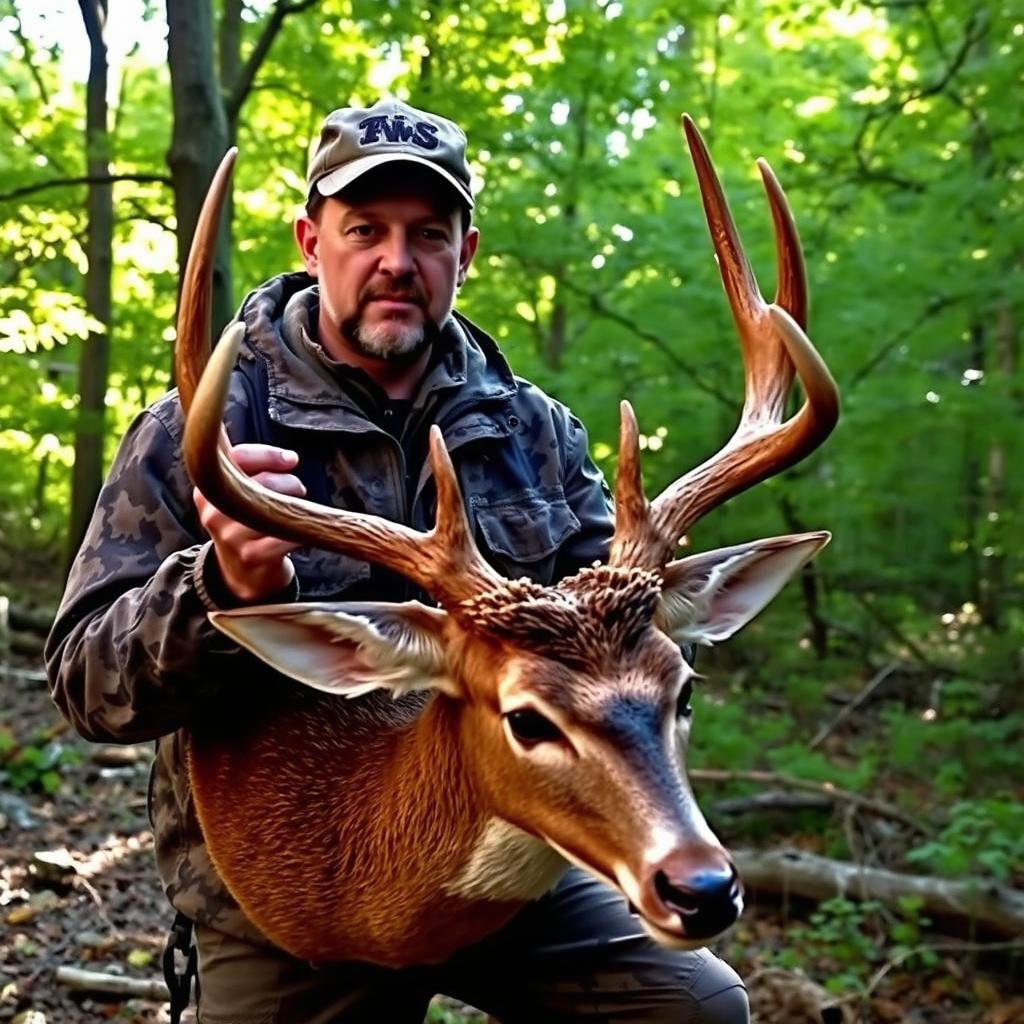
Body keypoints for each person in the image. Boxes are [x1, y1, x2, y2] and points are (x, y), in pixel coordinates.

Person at [46, 98, 750, 1023]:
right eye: (364, 229)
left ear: (465, 253)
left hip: (512, 859)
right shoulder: (206, 432)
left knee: (694, 1011)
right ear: (310, 240)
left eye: (428, 235)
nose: (396, 262)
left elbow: (612, 634)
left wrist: (646, 583)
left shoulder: (533, 432)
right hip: (288, 902)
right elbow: (84, 688)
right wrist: (219, 585)